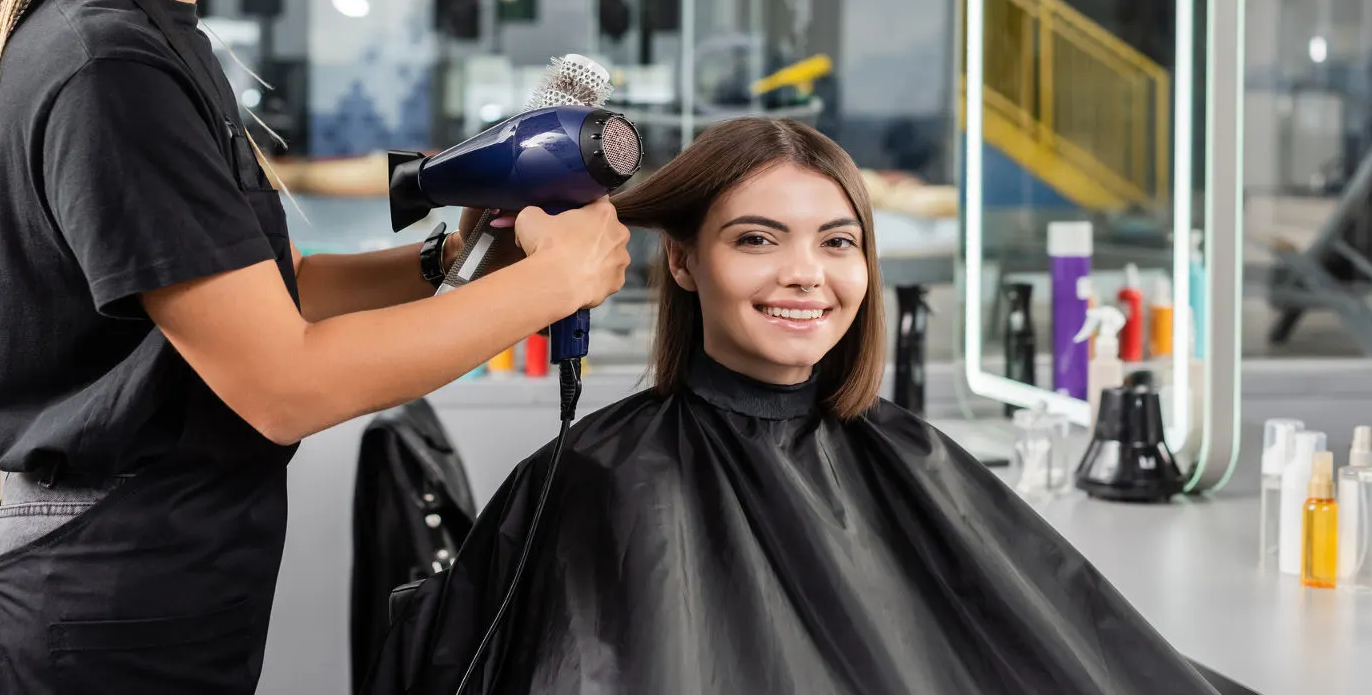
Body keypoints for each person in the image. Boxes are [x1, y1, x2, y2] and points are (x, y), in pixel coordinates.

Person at [0, 0, 629, 693]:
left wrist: (443, 262)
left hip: (153, 596)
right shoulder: (107, 63)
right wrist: (549, 286)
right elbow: (282, 383)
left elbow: (262, 295)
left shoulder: (158, 40)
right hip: (102, 614)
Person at [366, 117, 1224, 695]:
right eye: (756, 239)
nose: (806, 274)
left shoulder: (912, 460)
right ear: (685, 263)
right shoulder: (606, 479)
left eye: (838, 242)